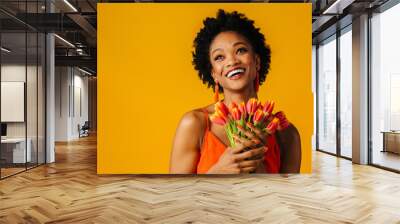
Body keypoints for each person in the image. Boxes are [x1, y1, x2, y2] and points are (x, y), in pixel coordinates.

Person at [170, 9, 301, 174]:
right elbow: (176, 195)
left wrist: (257, 164)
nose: (232, 61)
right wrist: (218, 171)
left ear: (257, 62)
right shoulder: (195, 124)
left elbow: (287, 198)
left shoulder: (286, 134)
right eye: (219, 57)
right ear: (213, 74)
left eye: (241, 50)